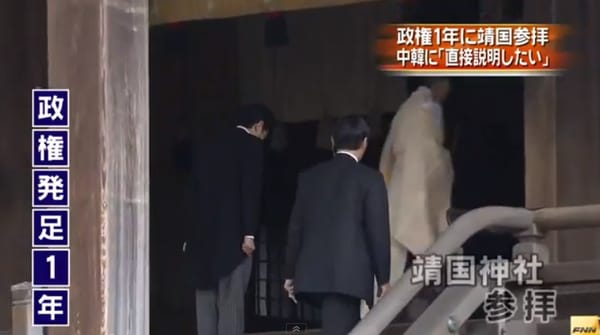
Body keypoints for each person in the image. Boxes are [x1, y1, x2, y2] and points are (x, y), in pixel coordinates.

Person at [283, 116, 391, 335]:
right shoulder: (370, 179)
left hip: (310, 276)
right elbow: (377, 232)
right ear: (365, 143)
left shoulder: (309, 177)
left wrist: (289, 273)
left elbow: (296, 228)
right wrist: (384, 279)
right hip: (347, 277)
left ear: (332, 142)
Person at [184, 104, 273, 335]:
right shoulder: (252, 145)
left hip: (201, 240)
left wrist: (188, 237)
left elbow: (191, 193)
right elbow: (250, 191)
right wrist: (250, 235)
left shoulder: (204, 146)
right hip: (234, 242)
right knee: (231, 303)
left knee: (204, 301)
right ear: (259, 126)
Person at [379, 77, 454, 286]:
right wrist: (445, 160)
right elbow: (431, 151)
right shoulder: (428, 109)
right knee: (425, 238)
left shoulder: (405, 109)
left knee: (393, 249)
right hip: (418, 182)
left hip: (400, 184)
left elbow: (388, 154)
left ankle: (377, 311)